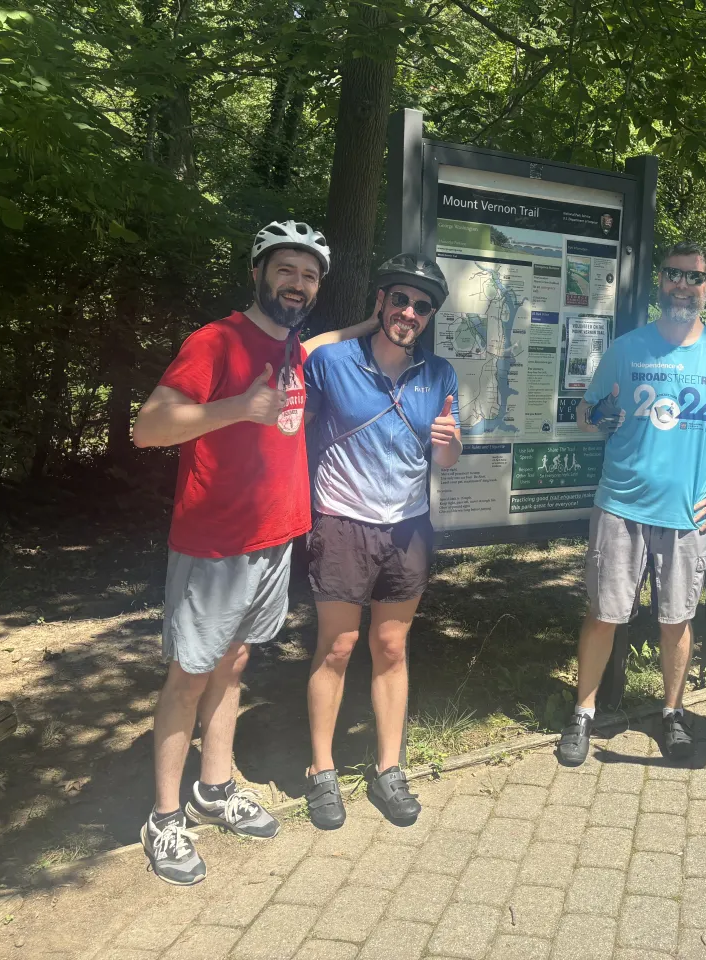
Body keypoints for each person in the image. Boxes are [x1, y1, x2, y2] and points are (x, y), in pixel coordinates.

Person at [132, 220, 330, 884]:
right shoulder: (215, 341)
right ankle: (163, 819)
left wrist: (369, 325)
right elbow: (150, 426)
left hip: (274, 541)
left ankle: (213, 789)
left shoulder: (295, 347)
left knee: (235, 664)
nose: (296, 283)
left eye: (308, 274)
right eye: (285, 269)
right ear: (257, 272)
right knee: (189, 675)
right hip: (214, 546)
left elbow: (325, 341)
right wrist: (239, 409)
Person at [556, 241, 706, 766]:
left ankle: (673, 713)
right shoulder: (629, 348)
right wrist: (598, 417)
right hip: (620, 507)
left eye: (694, 277)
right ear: (661, 283)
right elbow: (585, 413)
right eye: (675, 275)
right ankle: (582, 714)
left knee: (676, 620)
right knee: (604, 614)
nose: (684, 285)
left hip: (687, 515)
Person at [301, 254, 462, 829]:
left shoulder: (439, 375)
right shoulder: (332, 361)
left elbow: (445, 456)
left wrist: (449, 443)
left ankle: (388, 769)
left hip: (408, 526)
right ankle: (321, 771)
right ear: (380, 302)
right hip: (343, 522)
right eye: (400, 300)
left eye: (422, 306)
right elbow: (294, 374)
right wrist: (362, 328)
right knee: (338, 648)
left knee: (391, 649)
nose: (409, 313)